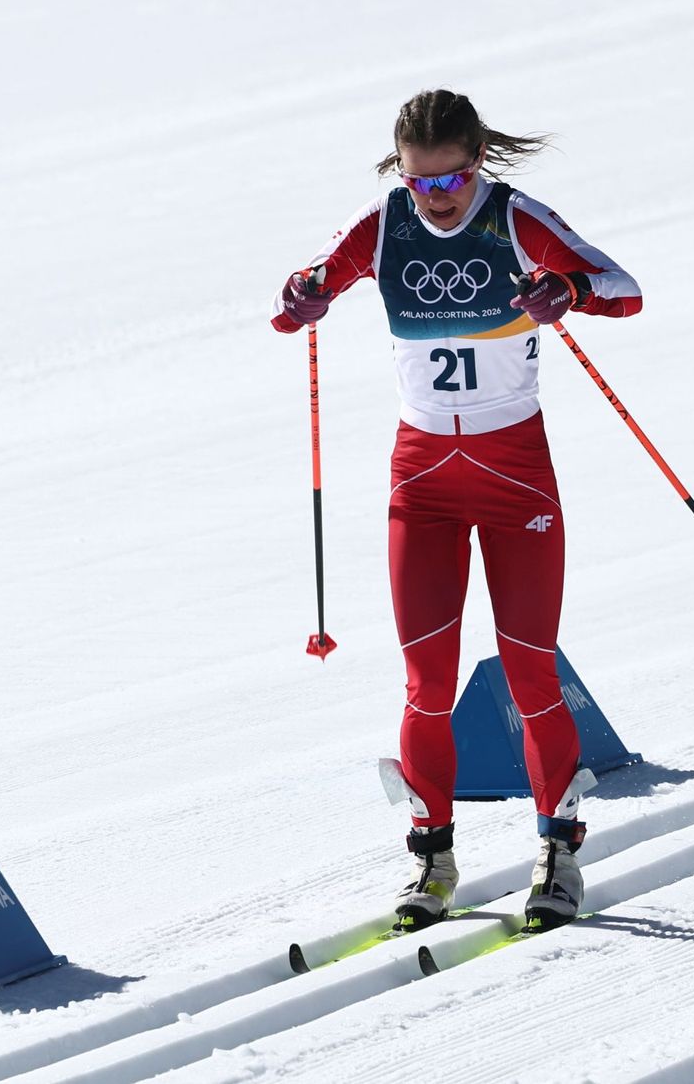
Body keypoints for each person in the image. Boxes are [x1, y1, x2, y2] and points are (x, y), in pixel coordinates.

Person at [271, 88, 642, 932]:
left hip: (515, 477)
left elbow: (626, 289)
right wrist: (302, 298)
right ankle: (431, 855)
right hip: (424, 480)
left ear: (480, 164)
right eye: (420, 182)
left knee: (529, 672)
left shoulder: (514, 218)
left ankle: (557, 848)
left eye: (453, 181)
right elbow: (299, 297)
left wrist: (567, 292)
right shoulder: (384, 222)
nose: (436, 199)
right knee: (427, 681)